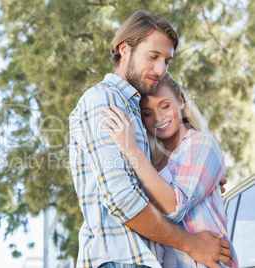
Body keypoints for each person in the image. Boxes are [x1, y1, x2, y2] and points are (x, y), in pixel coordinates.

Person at [69, 10, 233, 268]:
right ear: (125, 50)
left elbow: (154, 187)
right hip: (120, 259)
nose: (160, 69)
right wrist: (191, 244)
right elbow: (122, 198)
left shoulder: (135, 106)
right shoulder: (105, 100)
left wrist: (207, 180)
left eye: (167, 61)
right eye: (153, 56)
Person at [100, 72, 238, 267]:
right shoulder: (153, 166)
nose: (158, 118)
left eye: (165, 105)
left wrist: (130, 148)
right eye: (147, 113)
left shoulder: (201, 143)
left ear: (180, 101)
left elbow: (174, 207)